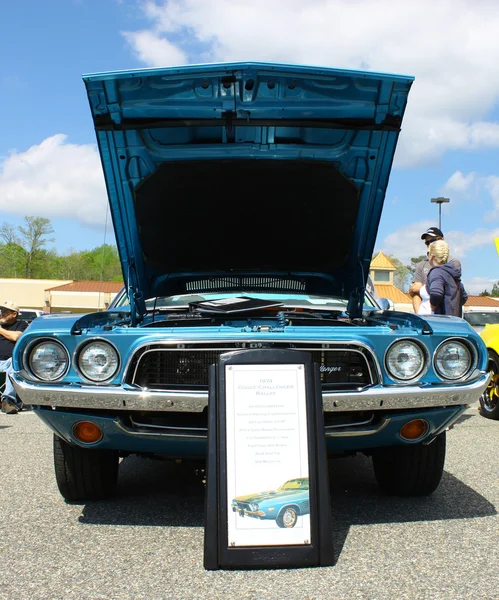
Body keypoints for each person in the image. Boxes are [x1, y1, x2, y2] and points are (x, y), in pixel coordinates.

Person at [409, 227, 462, 313]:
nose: (430, 244)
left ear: (443, 240)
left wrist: (432, 308)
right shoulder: (422, 264)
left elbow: (438, 291)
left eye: (433, 240)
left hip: (439, 316)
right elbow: (415, 289)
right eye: (427, 242)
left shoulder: (452, 263)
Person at [0, 301, 29, 414]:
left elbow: (16, 337)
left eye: (5, 312)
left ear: (14, 314)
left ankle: (8, 400)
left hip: (9, 361)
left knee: (15, 362)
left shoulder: (22, 325)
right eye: (1, 311)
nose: (2, 313)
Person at [426, 240, 467, 316]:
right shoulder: (453, 273)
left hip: (440, 323)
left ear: (431, 256)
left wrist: (432, 308)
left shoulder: (437, 272)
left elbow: (436, 293)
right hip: (454, 322)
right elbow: (464, 297)